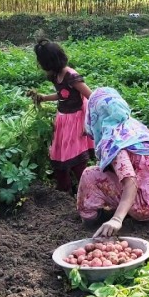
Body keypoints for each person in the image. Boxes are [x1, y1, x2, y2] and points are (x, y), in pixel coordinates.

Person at [77, 87, 149, 238]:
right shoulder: (134, 126)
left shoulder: (114, 140)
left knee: (90, 175)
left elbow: (130, 180)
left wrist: (116, 219)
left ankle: (92, 217)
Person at [28, 39, 94, 194]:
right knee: (58, 154)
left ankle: (88, 190)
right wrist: (43, 97)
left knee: (76, 157)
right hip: (63, 117)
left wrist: (88, 122)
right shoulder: (55, 74)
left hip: (76, 119)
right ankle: (64, 189)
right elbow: (63, 94)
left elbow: (91, 97)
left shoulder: (71, 76)